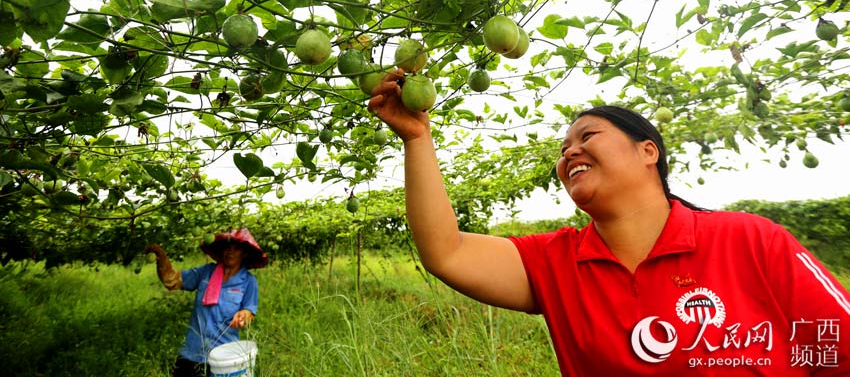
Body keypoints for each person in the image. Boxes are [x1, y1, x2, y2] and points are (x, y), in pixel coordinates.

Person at [368, 74, 850, 375]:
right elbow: (445, 252)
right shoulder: (556, 263)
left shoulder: (747, 239)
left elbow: (838, 348)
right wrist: (417, 139)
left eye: (588, 136)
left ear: (648, 151)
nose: (570, 152)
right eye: (562, 151)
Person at [145, 227, 267, 377]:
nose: (230, 252)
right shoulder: (206, 272)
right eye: (227, 248)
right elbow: (173, 280)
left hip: (223, 354)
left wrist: (243, 316)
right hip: (192, 350)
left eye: (235, 249)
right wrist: (161, 258)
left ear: (244, 253)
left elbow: (249, 311)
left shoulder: (248, 282)